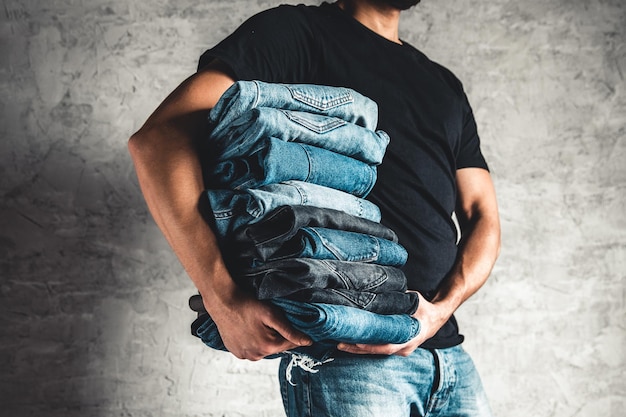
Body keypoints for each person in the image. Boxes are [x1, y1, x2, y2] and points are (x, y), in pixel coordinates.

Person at [128, 0, 501, 415]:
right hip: (346, 357)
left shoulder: (443, 84)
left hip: (449, 359)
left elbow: (483, 214)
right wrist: (224, 299)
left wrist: (439, 311)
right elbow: (160, 139)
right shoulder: (296, 32)